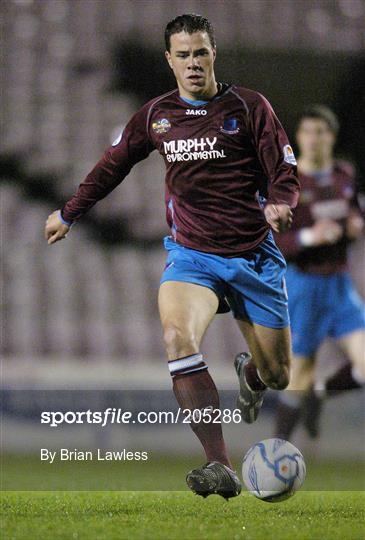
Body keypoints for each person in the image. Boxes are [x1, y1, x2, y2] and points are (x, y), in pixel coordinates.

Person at [45, 14, 299, 499]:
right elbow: (111, 166)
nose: (192, 63)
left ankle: (251, 372)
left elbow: (282, 167)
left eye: (200, 53)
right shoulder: (155, 115)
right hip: (191, 256)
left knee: (278, 375)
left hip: (252, 256)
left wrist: (282, 204)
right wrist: (69, 212)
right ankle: (218, 465)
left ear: (213, 54)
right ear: (169, 60)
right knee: (177, 338)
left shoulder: (249, 106)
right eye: (182, 55)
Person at [274, 105, 365, 441]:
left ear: (331, 136)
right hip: (304, 284)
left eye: (320, 132)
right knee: (299, 373)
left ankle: (321, 392)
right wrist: (311, 236)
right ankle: (276, 454)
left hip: (340, 285)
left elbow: (354, 211)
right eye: (307, 132)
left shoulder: (343, 176)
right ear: (298, 138)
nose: (313, 139)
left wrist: (355, 224)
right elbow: (275, 241)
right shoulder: (287, 183)